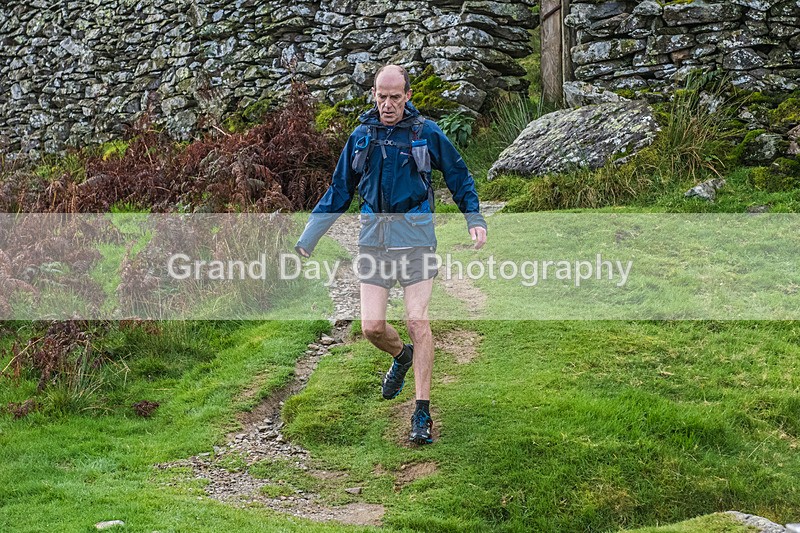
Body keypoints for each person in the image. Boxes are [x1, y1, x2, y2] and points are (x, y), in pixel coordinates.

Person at [295, 64, 487, 444]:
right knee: (372, 328)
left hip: (416, 239)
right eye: (381, 97)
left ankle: (421, 413)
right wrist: (309, 237)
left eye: (395, 97)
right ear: (373, 95)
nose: (387, 104)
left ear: (408, 96)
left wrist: (474, 217)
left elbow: (459, 176)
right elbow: (339, 191)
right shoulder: (361, 136)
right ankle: (402, 357)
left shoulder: (425, 133)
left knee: (417, 319)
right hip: (374, 242)